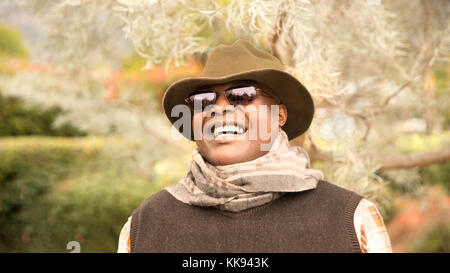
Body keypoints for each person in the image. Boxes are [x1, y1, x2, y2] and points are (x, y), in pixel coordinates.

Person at [117, 39, 392, 253]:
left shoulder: (352, 220)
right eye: (204, 99)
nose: (219, 109)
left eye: (242, 95)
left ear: (279, 115)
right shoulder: (145, 224)